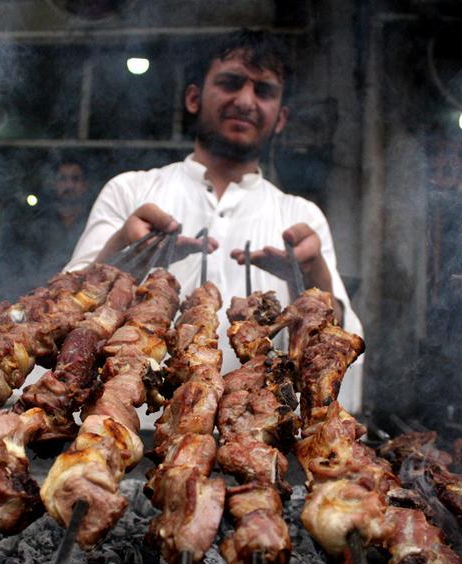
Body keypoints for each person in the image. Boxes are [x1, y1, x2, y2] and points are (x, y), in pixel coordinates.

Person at [65, 29, 365, 413]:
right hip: (127, 427)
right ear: (193, 97)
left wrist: (311, 272)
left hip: (261, 432)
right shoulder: (130, 191)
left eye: (264, 91)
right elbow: (65, 316)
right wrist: (122, 249)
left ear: (280, 118)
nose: (245, 100)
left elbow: (343, 345)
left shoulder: (300, 216)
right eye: (230, 83)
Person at [11, 155, 94, 295]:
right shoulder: (39, 224)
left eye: (75, 179)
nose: (69, 186)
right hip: (43, 297)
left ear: (85, 185)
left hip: (84, 298)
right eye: (63, 179)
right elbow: (25, 268)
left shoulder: (94, 223)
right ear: (55, 184)